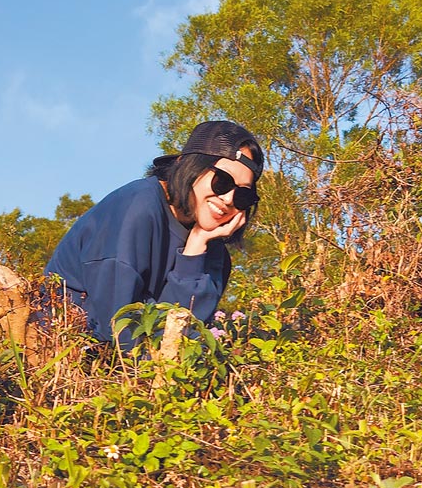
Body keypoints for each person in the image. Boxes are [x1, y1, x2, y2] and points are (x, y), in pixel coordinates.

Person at [44, 120, 264, 349]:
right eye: (223, 181)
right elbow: (117, 328)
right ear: (189, 165)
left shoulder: (213, 253)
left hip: (137, 368)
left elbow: (181, 339)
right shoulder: (137, 207)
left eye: (242, 196)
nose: (229, 199)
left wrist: (195, 247)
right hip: (67, 351)